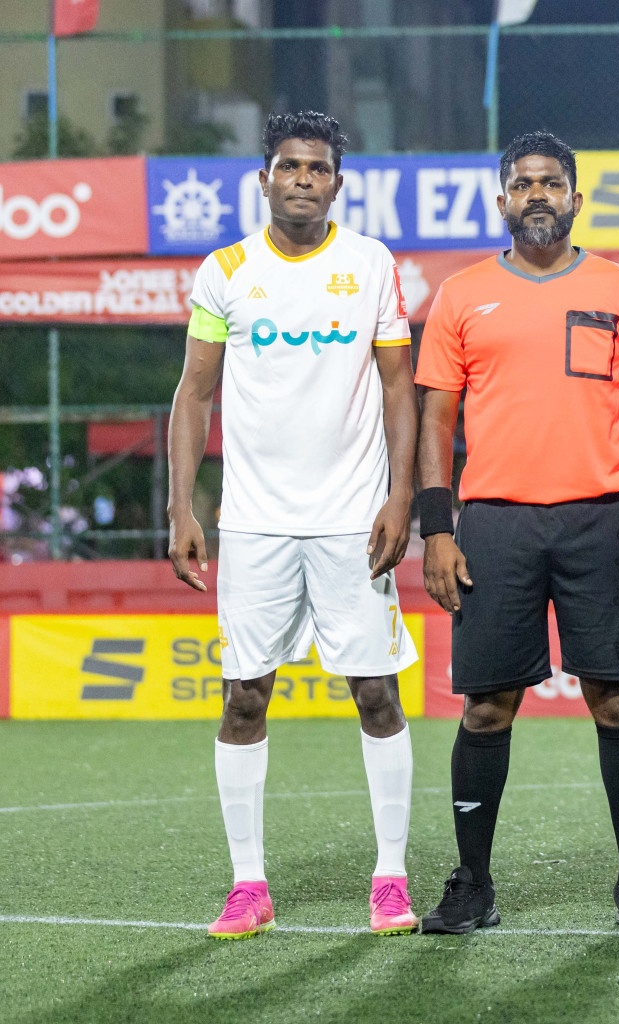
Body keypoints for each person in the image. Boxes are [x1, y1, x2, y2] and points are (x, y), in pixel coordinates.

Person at [413, 132, 619, 934]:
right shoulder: (462, 294)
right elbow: (436, 418)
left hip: (604, 519)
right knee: (487, 709)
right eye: (523, 183)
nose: (538, 194)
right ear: (502, 201)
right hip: (494, 522)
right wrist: (438, 527)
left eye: (552, 183)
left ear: (575, 198)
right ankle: (473, 884)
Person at [167, 111, 420, 939]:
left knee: (376, 694)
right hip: (253, 525)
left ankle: (390, 877)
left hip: (353, 521)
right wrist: (181, 506)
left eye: (317, 167)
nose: (303, 178)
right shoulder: (227, 271)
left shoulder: (371, 264)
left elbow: (396, 387)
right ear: (265, 179)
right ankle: (249, 886)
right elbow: (194, 394)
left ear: (338, 183)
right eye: (288, 166)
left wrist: (400, 496)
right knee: (245, 698)